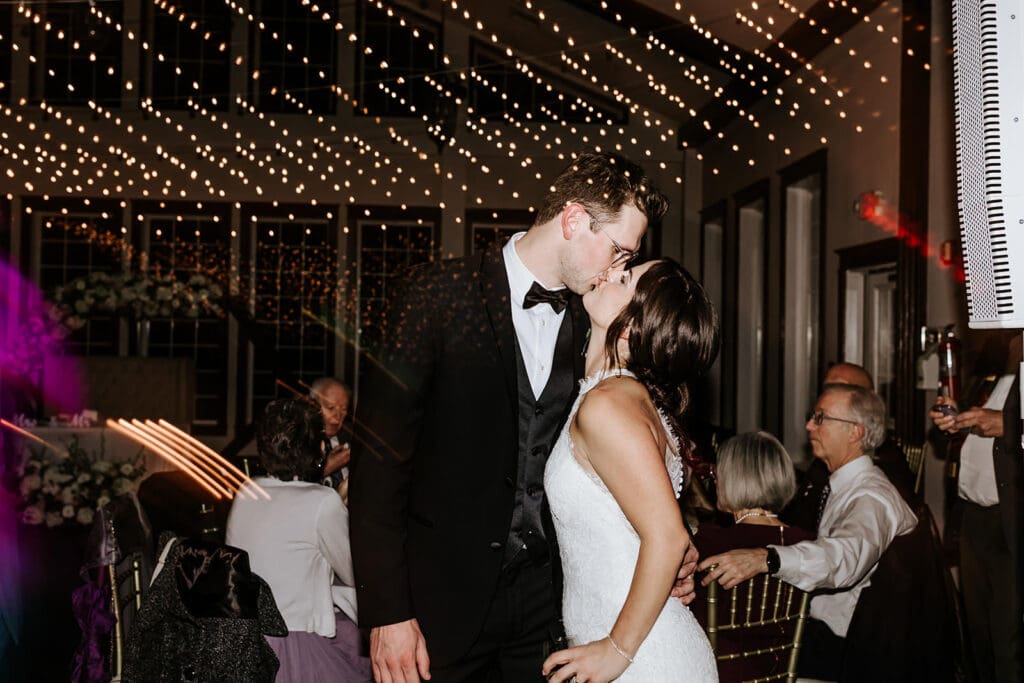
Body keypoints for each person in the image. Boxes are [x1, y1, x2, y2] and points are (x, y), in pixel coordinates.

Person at [350, 151, 699, 682]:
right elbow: (378, 469)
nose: (619, 269)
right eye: (619, 250)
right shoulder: (435, 294)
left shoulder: (598, 320)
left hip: (548, 611)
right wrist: (388, 612)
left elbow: (624, 453)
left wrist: (674, 545)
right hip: (440, 600)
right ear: (575, 220)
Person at [541, 258, 719, 682]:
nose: (608, 271)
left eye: (625, 278)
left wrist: (615, 651)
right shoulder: (619, 397)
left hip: (643, 660)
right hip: (636, 646)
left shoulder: (608, 405)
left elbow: (668, 535)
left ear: (631, 328)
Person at [698, 384, 916, 680]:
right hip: (823, 634)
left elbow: (844, 558)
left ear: (856, 432)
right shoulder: (840, 486)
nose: (809, 425)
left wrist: (767, 559)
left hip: (847, 648)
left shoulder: (871, 497)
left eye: (821, 418)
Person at [226, 398, 371, 682]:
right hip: (295, 641)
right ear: (318, 448)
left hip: (247, 637)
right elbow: (356, 574)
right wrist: (343, 505)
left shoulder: (247, 490)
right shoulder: (322, 503)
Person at [929, 333, 1023, 683]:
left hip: (1012, 519)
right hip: (973, 517)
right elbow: (951, 436)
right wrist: (949, 423)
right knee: (978, 636)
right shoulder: (992, 365)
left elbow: (1003, 425)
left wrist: (1006, 425)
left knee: (1008, 641)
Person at [690, 432, 814, 683]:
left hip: (716, 673)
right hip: (778, 673)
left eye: (718, 474)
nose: (715, 482)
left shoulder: (710, 543)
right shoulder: (806, 544)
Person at [782, 361, 916, 530]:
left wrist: (775, 556)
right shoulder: (825, 463)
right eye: (827, 388)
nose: (809, 426)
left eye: (840, 388)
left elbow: (847, 548)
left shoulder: (882, 472)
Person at [309, 377, 352, 493]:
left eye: (343, 410)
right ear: (312, 405)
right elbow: (291, 487)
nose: (337, 416)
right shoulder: (298, 440)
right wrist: (325, 468)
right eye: (330, 408)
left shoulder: (353, 437)